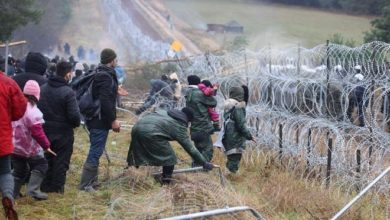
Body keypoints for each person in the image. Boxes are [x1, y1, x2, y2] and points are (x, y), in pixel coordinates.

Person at [127, 108, 214, 184]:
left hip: (136, 128)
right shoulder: (179, 126)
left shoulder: (165, 112)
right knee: (170, 159)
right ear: (188, 119)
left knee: (136, 152)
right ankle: (166, 182)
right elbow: (190, 148)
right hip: (152, 133)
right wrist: (204, 163)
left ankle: (130, 174)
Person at [79, 48, 120, 191]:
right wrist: (113, 120)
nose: (117, 61)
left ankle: (93, 181)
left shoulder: (100, 72)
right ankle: (85, 185)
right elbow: (105, 101)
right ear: (111, 60)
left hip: (95, 118)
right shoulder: (105, 76)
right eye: (116, 58)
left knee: (97, 148)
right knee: (96, 150)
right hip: (99, 119)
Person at [39, 61, 81, 193]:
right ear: (68, 74)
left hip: (45, 131)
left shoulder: (43, 88)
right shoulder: (68, 92)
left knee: (46, 158)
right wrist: (75, 124)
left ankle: (44, 185)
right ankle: (57, 188)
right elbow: (74, 116)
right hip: (63, 133)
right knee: (61, 161)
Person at [12, 80, 56, 200]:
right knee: (42, 164)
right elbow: (38, 133)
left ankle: (13, 193)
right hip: (28, 147)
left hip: (14, 146)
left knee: (20, 170)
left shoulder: (15, 106)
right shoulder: (33, 112)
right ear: (37, 95)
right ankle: (33, 190)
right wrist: (46, 146)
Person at [0, 71, 27, 220]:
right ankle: (8, 197)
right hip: (1, 136)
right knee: (4, 172)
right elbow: (20, 109)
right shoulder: (8, 83)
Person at [221, 86, 255, 173]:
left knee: (231, 157)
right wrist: (249, 136)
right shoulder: (238, 107)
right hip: (236, 138)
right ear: (240, 95)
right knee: (234, 159)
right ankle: (231, 177)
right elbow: (241, 125)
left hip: (228, 136)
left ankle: (229, 175)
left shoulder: (228, 105)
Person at [185, 75, 217, 164]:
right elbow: (213, 102)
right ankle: (202, 169)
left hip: (194, 128)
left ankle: (195, 169)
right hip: (203, 127)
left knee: (197, 151)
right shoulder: (199, 93)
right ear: (199, 83)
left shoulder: (188, 93)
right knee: (208, 150)